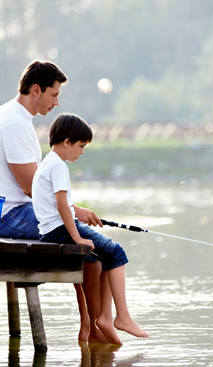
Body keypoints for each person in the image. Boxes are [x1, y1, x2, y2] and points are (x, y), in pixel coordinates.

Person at [0, 60, 104, 344]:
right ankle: (92, 326)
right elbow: (30, 187)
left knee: (83, 236)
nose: (57, 102)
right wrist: (74, 212)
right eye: (54, 94)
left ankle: (91, 323)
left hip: (16, 210)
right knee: (86, 241)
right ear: (36, 90)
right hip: (10, 215)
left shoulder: (14, 117)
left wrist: (72, 212)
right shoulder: (14, 122)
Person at [32, 113, 148, 344]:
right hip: (60, 230)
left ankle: (105, 318)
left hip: (51, 230)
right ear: (66, 142)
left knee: (105, 256)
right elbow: (62, 205)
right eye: (81, 146)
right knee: (117, 252)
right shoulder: (58, 166)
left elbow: (60, 206)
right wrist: (77, 236)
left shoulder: (47, 163)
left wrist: (80, 222)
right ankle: (121, 317)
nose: (82, 151)